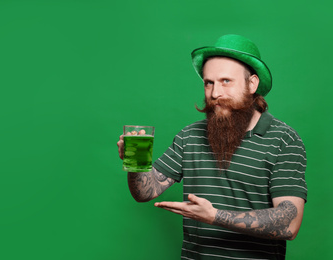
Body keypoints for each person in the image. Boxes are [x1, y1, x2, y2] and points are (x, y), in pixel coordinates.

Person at [117, 34, 307, 260]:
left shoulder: (284, 140)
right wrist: (136, 163)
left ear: (252, 84)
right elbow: (146, 192)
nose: (215, 93)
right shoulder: (190, 136)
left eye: (226, 81)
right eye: (209, 83)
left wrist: (215, 216)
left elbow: (290, 223)